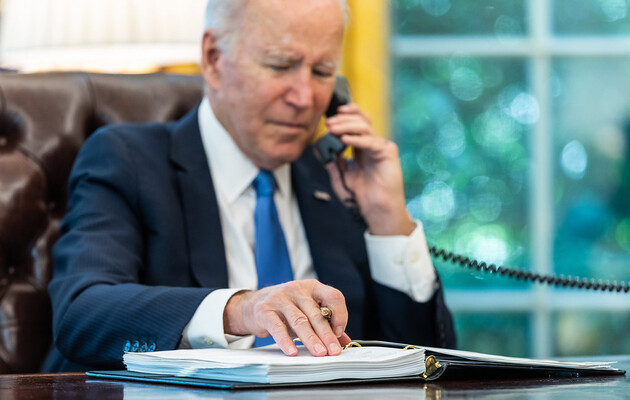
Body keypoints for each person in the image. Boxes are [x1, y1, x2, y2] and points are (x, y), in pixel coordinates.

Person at [43, 0, 456, 372]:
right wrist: (242, 309)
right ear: (213, 58)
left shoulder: (338, 181)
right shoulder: (128, 159)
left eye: (322, 72)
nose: (305, 98)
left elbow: (423, 362)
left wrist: (388, 220)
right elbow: (82, 314)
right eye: (280, 65)